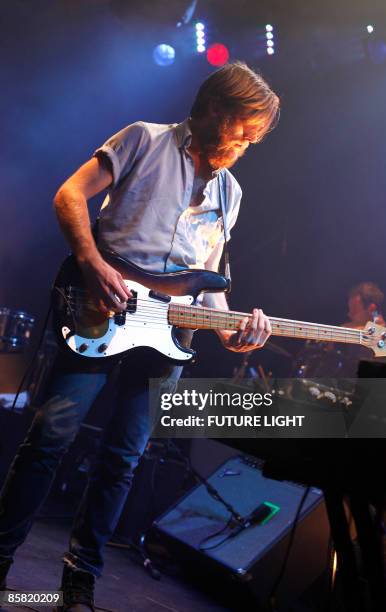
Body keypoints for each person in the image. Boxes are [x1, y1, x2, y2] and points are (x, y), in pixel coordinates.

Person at [0, 61, 280, 611]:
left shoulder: (232, 193)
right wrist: (89, 261)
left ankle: (79, 580)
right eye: (244, 130)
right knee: (50, 439)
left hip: (167, 337)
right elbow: (69, 196)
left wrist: (235, 329)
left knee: (123, 458)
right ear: (217, 110)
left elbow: (209, 284)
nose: (247, 144)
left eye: (255, 139)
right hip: (100, 312)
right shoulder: (143, 140)